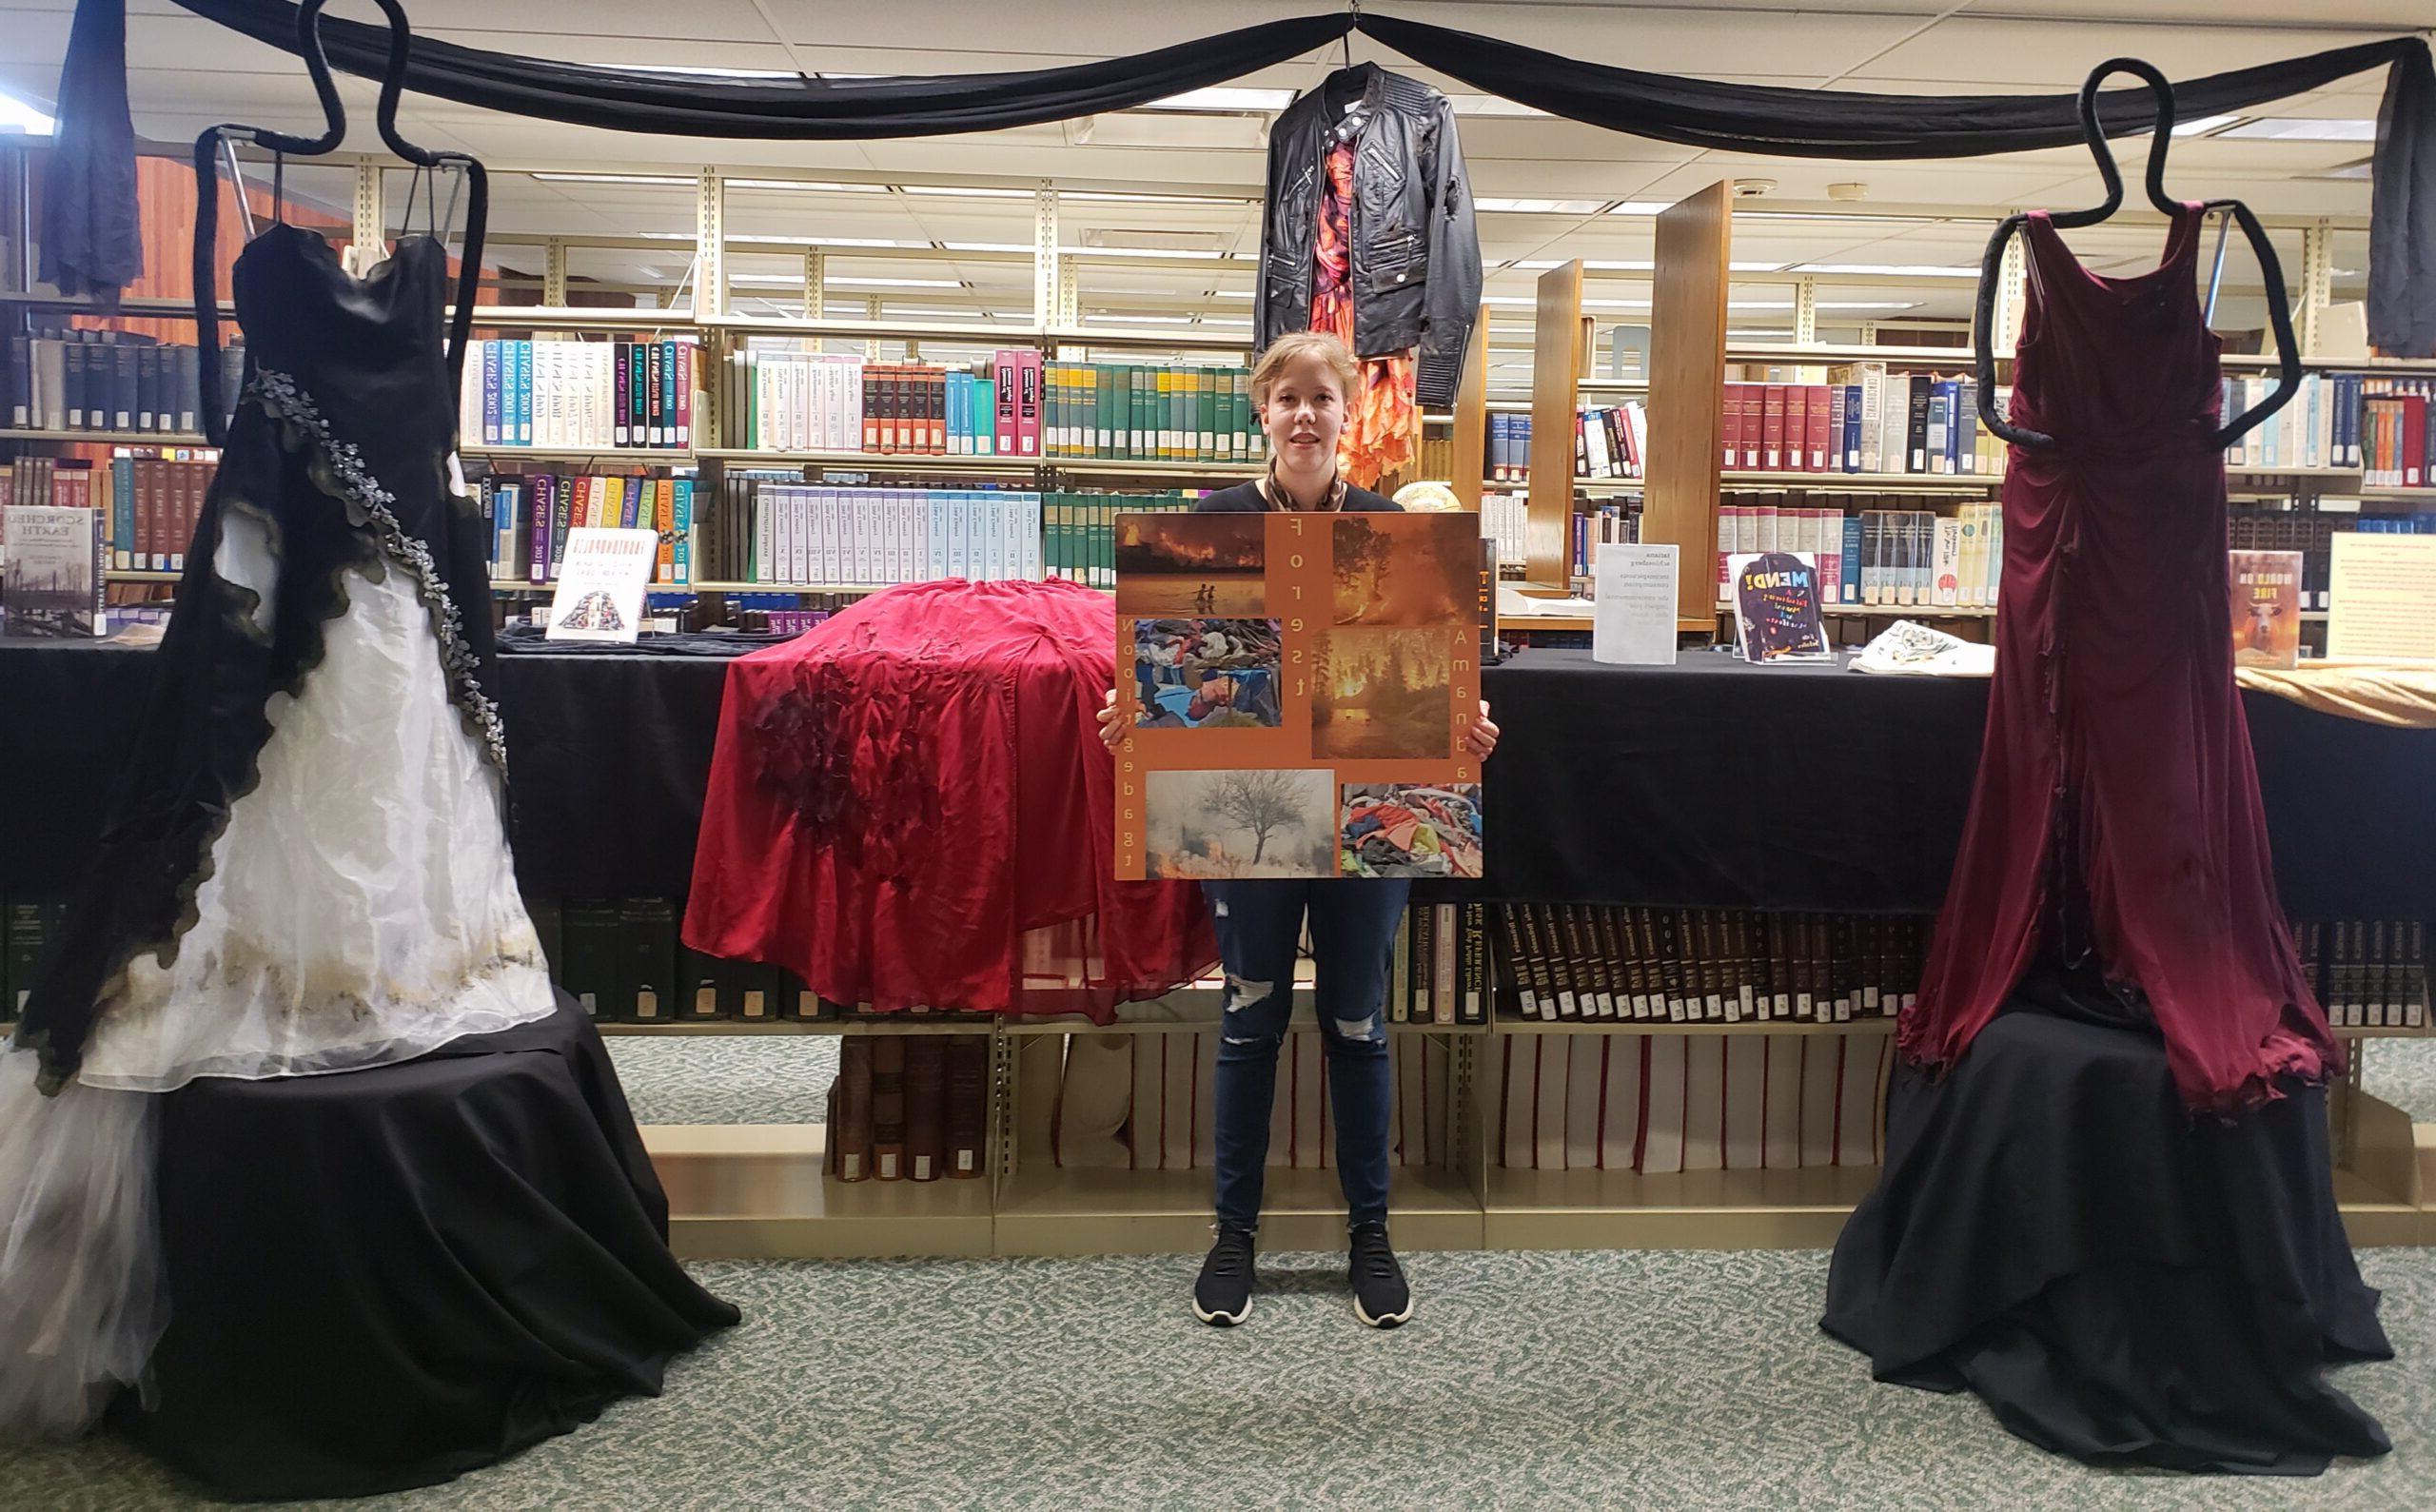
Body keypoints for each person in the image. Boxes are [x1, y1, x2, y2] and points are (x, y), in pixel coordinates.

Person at [1099, 330, 1498, 1328]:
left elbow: (1413, 683)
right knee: (1250, 1017)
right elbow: (1184, 674)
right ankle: (1234, 1232)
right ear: (1262, 411)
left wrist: (1464, 727)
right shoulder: (1211, 527)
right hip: (1249, 810)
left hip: (1369, 813)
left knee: (1357, 1021)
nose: (1307, 415)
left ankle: (1372, 1232)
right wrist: (1134, 715)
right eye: (1289, 399)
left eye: (1324, 397)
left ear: (1348, 412)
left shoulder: (1392, 534)